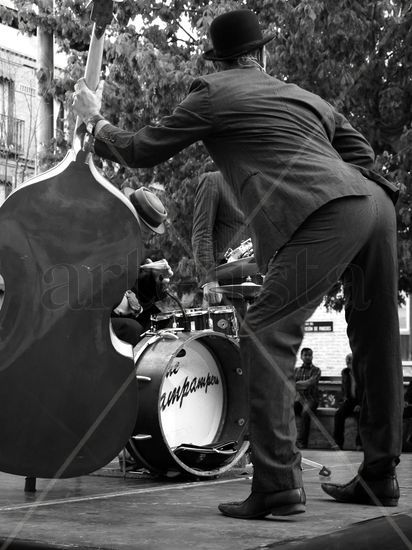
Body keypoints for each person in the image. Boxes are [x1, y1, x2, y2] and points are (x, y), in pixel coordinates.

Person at [72, 8, 403, 517]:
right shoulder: (304, 96)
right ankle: (380, 476)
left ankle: (277, 485)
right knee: (376, 344)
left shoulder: (213, 92)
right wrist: (348, 191)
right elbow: (361, 155)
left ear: (218, 59)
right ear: (264, 54)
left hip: (329, 211)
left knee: (266, 334)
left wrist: (94, 120)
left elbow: (141, 150)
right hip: (376, 207)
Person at [111, 187, 173, 346]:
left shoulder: (139, 251)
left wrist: (156, 280)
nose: (149, 236)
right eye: (146, 231)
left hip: (125, 311)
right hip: (98, 316)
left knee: (167, 324)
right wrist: (130, 303)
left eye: (150, 233)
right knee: (132, 329)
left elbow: (142, 296)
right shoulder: (105, 238)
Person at [191, 167, 248, 307]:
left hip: (260, 282)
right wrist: (209, 279)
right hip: (226, 285)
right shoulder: (213, 180)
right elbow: (201, 233)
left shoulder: (259, 184)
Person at [333, 353, 362, 450]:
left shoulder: (362, 373)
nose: (349, 363)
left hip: (360, 401)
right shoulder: (345, 373)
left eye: (351, 361)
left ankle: (360, 444)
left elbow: (365, 390)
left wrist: (360, 404)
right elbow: (343, 388)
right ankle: (338, 443)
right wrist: (343, 400)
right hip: (349, 401)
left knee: (361, 416)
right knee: (338, 414)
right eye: (347, 361)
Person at [294, 348, 321, 449]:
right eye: (305, 355)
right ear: (301, 357)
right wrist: (299, 385)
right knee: (286, 411)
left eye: (309, 355)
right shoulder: (296, 370)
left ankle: (302, 442)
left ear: (312, 356)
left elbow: (310, 383)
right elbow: (290, 384)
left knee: (306, 413)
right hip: (299, 399)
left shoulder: (316, 370)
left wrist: (297, 384)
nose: (307, 357)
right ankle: (288, 440)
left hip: (311, 399)